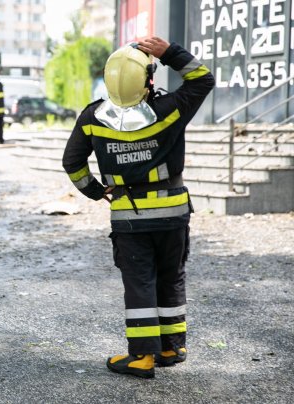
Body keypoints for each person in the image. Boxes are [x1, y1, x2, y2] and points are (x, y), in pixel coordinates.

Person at [62, 37, 214, 379]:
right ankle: (172, 346)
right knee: (171, 276)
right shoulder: (170, 108)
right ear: (148, 78)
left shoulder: (92, 117)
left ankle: (143, 357)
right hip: (173, 213)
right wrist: (169, 52)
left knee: (139, 282)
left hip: (129, 216)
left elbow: (72, 163)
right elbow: (203, 78)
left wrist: (96, 191)